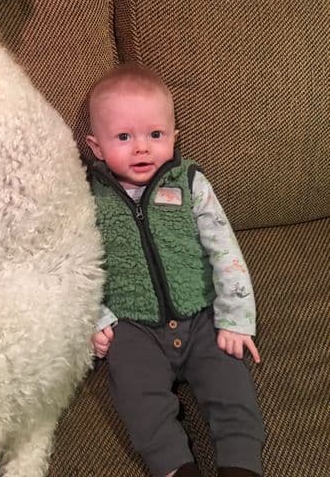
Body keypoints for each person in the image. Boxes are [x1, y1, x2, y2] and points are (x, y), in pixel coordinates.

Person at [86, 63, 264, 477]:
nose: (142, 148)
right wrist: (95, 319)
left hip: (202, 317)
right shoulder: (87, 197)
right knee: (139, 400)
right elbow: (74, 262)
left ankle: (241, 466)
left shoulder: (190, 182)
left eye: (155, 135)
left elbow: (224, 250)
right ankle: (174, 467)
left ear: (173, 137)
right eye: (124, 137)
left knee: (232, 390)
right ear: (96, 147)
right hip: (134, 328)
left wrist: (236, 320)